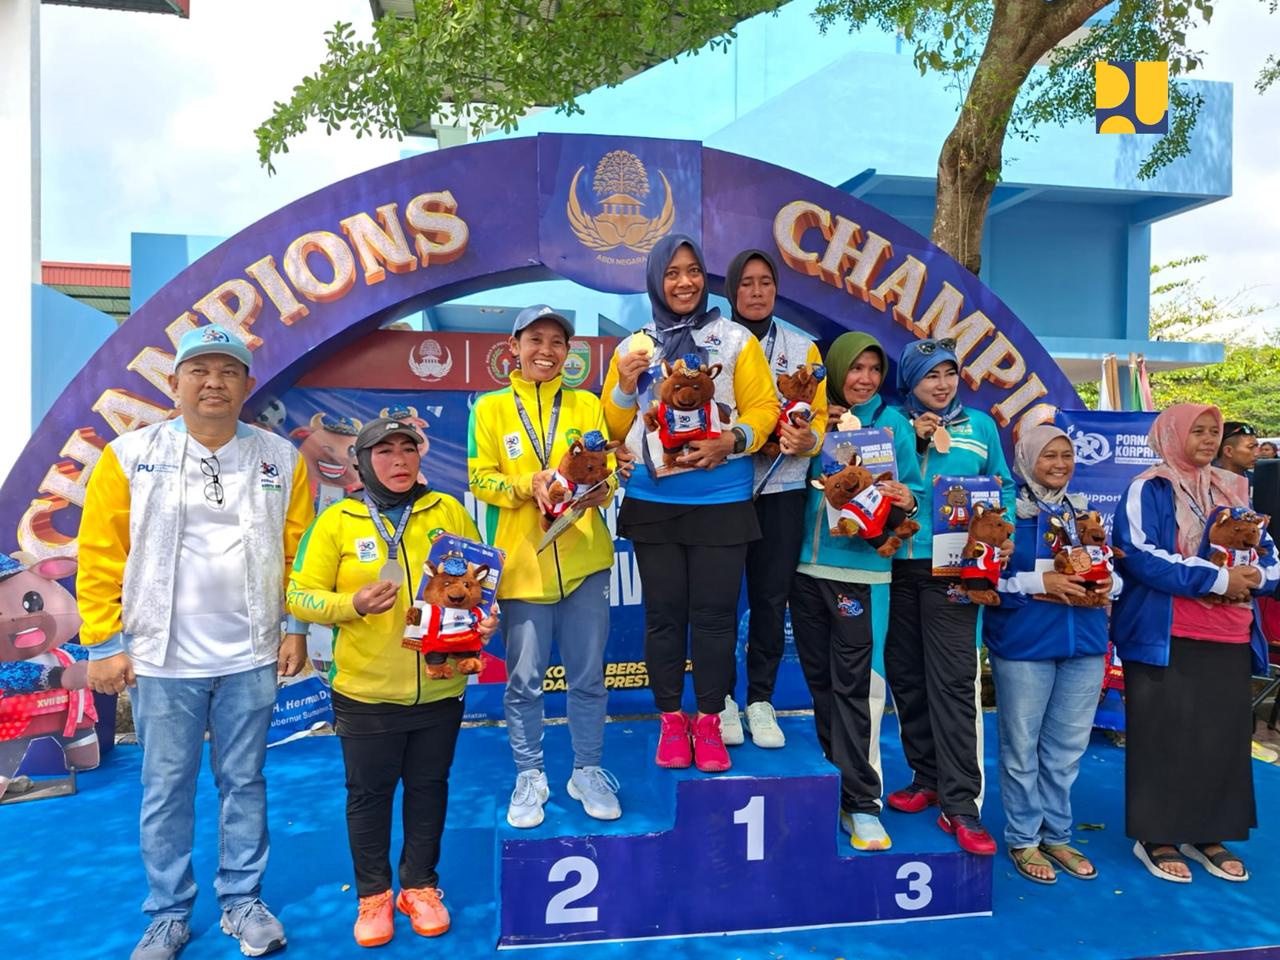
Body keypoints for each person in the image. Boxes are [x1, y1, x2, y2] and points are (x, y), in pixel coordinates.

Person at [77, 324, 313, 960]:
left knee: (245, 781)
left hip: (251, 653)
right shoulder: (129, 455)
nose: (214, 382)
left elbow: (299, 551)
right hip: (161, 657)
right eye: (200, 371)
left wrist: (296, 628)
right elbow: (100, 553)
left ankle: (242, 901)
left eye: (229, 371)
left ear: (247, 385)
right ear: (176, 383)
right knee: (166, 789)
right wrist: (102, 643)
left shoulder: (280, 457)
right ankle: (168, 913)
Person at [287, 416, 497, 946]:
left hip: (440, 684)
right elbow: (299, 595)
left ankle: (420, 887)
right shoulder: (336, 521)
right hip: (365, 691)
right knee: (369, 795)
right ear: (362, 462)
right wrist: (351, 604)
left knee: (429, 788)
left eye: (408, 449)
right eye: (384, 451)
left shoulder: (446, 511)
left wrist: (483, 620)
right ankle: (374, 896)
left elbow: (479, 584)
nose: (399, 460)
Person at [601, 234, 779, 773]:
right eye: (673, 273)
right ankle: (671, 722)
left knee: (715, 618)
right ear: (657, 281)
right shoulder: (633, 346)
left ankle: (708, 721)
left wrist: (733, 440)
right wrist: (625, 387)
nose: (685, 282)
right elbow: (613, 428)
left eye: (693, 271)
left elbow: (763, 408)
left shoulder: (735, 341)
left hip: (722, 500)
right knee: (663, 618)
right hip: (654, 500)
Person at [469, 304, 621, 830]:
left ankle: (587, 770)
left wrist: (600, 490)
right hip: (522, 568)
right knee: (524, 683)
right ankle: (530, 774)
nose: (546, 350)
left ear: (568, 352)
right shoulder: (490, 408)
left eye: (557, 342)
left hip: (585, 563)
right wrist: (526, 484)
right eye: (535, 339)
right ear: (514, 347)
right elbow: (479, 478)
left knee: (588, 678)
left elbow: (607, 471)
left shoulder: (586, 404)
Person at [1112, 404, 1279, 883]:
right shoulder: (1149, 487)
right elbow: (1139, 555)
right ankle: (1157, 836)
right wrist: (1218, 579)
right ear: (1172, 435)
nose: (1208, 440)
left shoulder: (1234, 488)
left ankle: (1209, 834)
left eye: (1214, 432)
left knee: (1221, 739)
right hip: (1167, 633)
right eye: (1198, 431)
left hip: (1230, 634)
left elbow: (1268, 554)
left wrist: (1257, 578)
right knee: (1164, 737)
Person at [790, 332, 924, 850]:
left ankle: (864, 802)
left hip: (862, 575)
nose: (864, 379)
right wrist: (810, 436)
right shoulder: (813, 418)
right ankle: (836, 789)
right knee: (821, 685)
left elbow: (913, 497)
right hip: (806, 570)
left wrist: (906, 498)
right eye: (855, 368)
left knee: (856, 689)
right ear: (837, 369)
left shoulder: (893, 426)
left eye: (873, 369)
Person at [884, 337, 1014, 856]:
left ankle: (961, 804)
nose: (941, 385)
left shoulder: (980, 426)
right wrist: (915, 443)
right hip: (896, 565)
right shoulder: (893, 423)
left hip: (956, 572)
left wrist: (1001, 532)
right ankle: (927, 777)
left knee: (955, 683)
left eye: (949, 374)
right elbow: (880, 482)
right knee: (907, 678)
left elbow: (1003, 487)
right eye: (929, 375)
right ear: (910, 381)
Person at [985, 424, 1121, 884]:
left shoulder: (1083, 512)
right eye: (1049, 455)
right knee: (1022, 747)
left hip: (1084, 644)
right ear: (1026, 459)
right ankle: (1024, 837)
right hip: (1024, 644)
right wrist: (1036, 582)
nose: (1060, 464)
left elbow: (1108, 567)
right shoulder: (1004, 511)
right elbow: (977, 578)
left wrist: (1110, 584)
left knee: (1066, 750)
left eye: (1066, 455)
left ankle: (1057, 835)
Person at [723, 249, 827, 750]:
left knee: (770, 598)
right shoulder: (715, 342)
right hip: (723, 491)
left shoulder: (804, 349)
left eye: (765, 282)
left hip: (782, 489)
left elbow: (821, 420)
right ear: (731, 290)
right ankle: (720, 698)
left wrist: (810, 440)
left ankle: (760, 700)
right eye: (746, 283)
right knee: (719, 600)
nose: (757, 291)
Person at [1216, 421, 1259, 493]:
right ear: (1228, 451)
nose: (1256, 453)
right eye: (1250, 447)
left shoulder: (1256, 480)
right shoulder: (1205, 483)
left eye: (1256, 447)